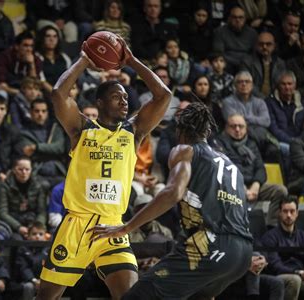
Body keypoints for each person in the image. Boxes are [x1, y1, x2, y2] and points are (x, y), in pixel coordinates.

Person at [36, 36, 172, 300]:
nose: (124, 102)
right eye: (115, 97)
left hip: (113, 227)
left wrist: (131, 61)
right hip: (77, 226)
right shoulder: (82, 129)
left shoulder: (134, 132)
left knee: (130, 295)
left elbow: (163, 95)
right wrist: (85, 59)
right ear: (99, 103)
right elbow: (58, 94)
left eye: (125, 97)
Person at [90, 101, 253, 299]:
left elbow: (172, 193)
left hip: (210, 245)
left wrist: (126, 227)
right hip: (243, 253)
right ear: (208, 131)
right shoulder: (230, 165)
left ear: (180, 130)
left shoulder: (185, 150)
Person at [217, 114, 288, 227]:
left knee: (281, 190)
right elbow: (224, 169)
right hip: (232, 187)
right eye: (233, 126)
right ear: (226, 127)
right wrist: (241, 187)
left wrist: (256, 185)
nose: (237, 129)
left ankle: (271, 226)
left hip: (253, 186)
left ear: (246, 128)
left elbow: (260, 167)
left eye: (241, 126)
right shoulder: (219, 143)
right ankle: (236, 227)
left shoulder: (251, 143)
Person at [20, 98, 68, 189]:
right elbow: (28, 152)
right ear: (31, 112)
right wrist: (49, 150)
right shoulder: (24, 132)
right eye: (37, 111)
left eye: (43, 111)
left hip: (58, 171)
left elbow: (59, 148)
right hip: (37, 173)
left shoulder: (55, 128)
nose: (40, 114)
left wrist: (37, 147)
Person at [0, 157, 47, 240]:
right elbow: (2, 212)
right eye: (20, 169)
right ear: (14, 170)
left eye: (27, 169)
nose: (24, 172)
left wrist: (37, 227)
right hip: (13, 223)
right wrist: (18, 227)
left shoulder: (38, 185)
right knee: (17, 240)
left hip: (33, 222)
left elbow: (42, 211)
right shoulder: (4, 186)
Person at [14, 221, 50, 296]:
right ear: (28, 236)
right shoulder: (23, 249)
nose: (37, 236)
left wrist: (44, 281)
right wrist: (34, 280)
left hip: (45, 281)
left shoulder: (49, 249)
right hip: (28, 280)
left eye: (41, 234)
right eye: (34, 234)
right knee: (28, 287)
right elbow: (23, 268)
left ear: (45, 236)